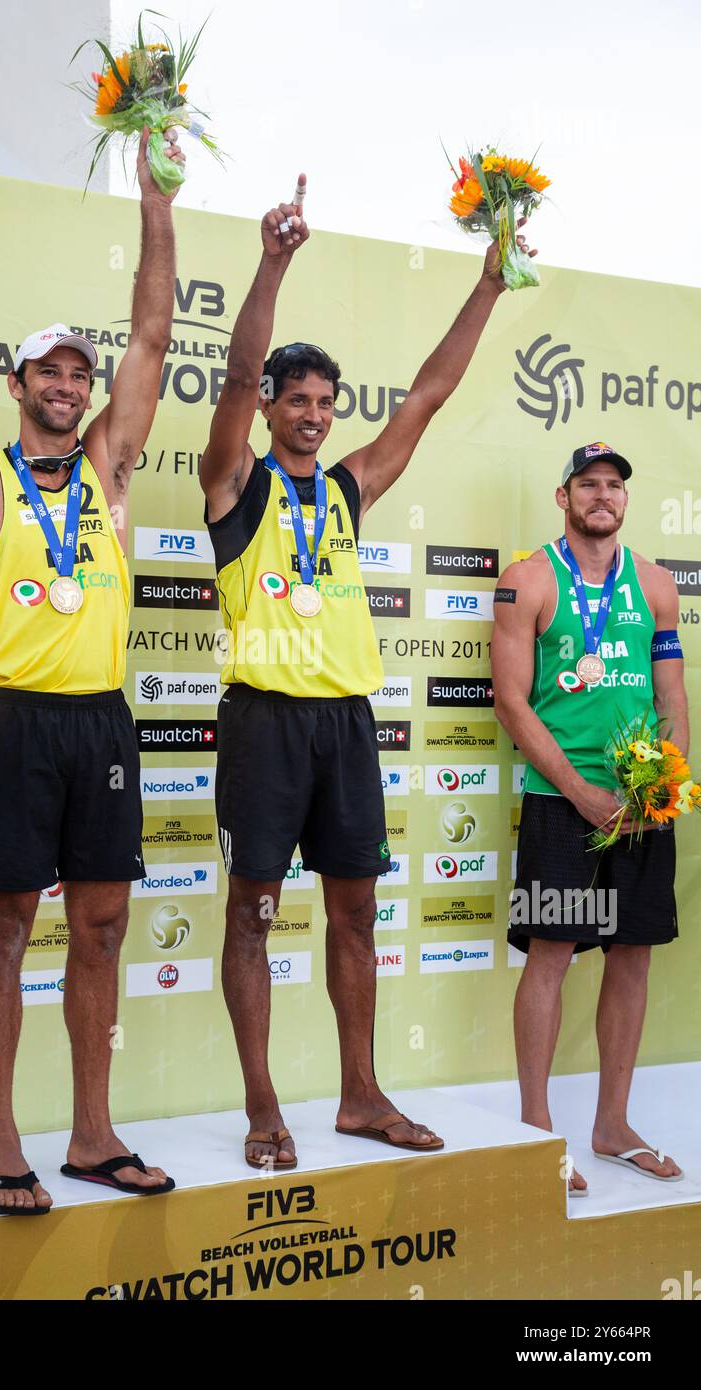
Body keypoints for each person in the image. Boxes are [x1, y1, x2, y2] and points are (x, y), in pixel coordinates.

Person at [199, 175, 534, 1169]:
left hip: (343, 726)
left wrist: (484, 285)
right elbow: (228, 379)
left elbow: (428, 393)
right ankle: (262, 1106)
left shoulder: (346, 488)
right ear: (267, 406)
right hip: (262, 725)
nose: (310, 415)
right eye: (293, 400)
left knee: (353, 912)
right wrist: (273, 263)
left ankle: (360, 1096)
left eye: (322, 403)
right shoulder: (233, 482)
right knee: (253, 915)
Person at [0, 131, 182, 1214]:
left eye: (81, 372)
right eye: (51, 372)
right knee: (8, 926)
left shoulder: (111, 460)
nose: (69, 386)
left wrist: (157, 202)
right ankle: (0, 1140)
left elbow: (154, 332)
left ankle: (92, 1133)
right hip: (15, 724)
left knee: (105, 924)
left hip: (103, 725)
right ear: (18, 383)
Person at [492, 443, 686, 1193]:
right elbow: (512, 702)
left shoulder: (658, 585)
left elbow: (672, 699)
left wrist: (659, 786)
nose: (602, 496)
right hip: (561, 803)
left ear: (625, 501)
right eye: (588, 485)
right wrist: (580, 791)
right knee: (552, 954)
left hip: (640, 809)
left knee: (632, 955)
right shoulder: (530, 578)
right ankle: (536, 1131)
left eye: (614, 486)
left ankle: (612, 1124)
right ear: (563, 496)